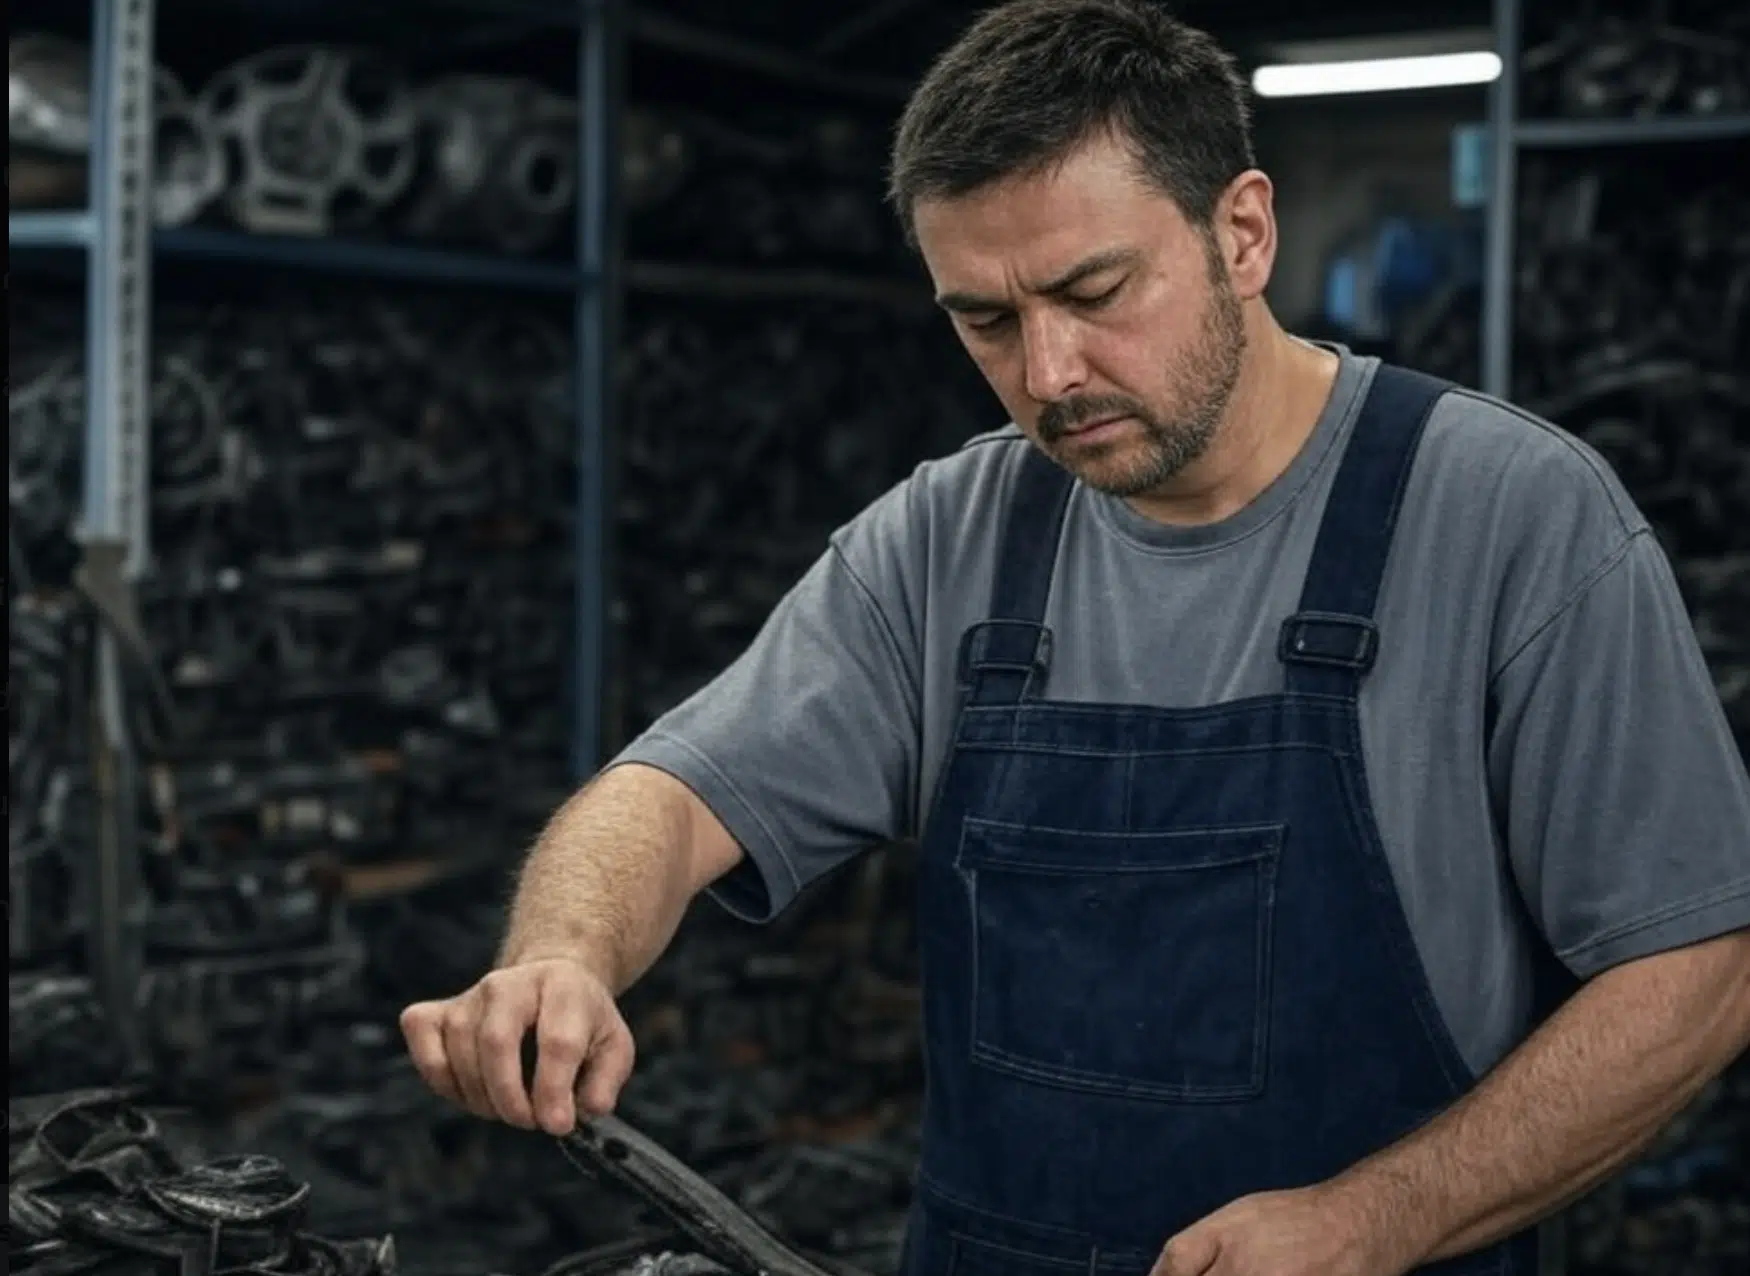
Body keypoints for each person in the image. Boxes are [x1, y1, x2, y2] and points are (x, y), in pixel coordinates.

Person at [400, 1, 1750, 1272]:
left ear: (1240, 234)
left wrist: (1375, 1220)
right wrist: (561, 955)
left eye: (1093, 292)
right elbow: (672, 792)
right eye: (985, 321)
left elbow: (1695, 965)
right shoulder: (949, 537)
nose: (1046, 374)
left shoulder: (1511, 516)